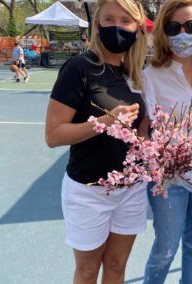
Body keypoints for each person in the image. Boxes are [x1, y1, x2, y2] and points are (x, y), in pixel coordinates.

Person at [44, 0, 148, 283]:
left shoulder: (136, 72)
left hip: (132, 188)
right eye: (109, 19)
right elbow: (53, 135)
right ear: (97, 25)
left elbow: (142, 130)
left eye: (125, 21)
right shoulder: (78, 67)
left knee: (116, 266)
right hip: (89, 189)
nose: (117, 27)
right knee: (88, 271)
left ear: (137, 29)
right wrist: (105, 123)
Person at [141, 0, 192, 283]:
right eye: (173, 27)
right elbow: (145, 131)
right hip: (171, 176)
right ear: (163, 33)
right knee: (165, 249)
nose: (183, 34)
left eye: (191, 26)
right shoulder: (151, 76)